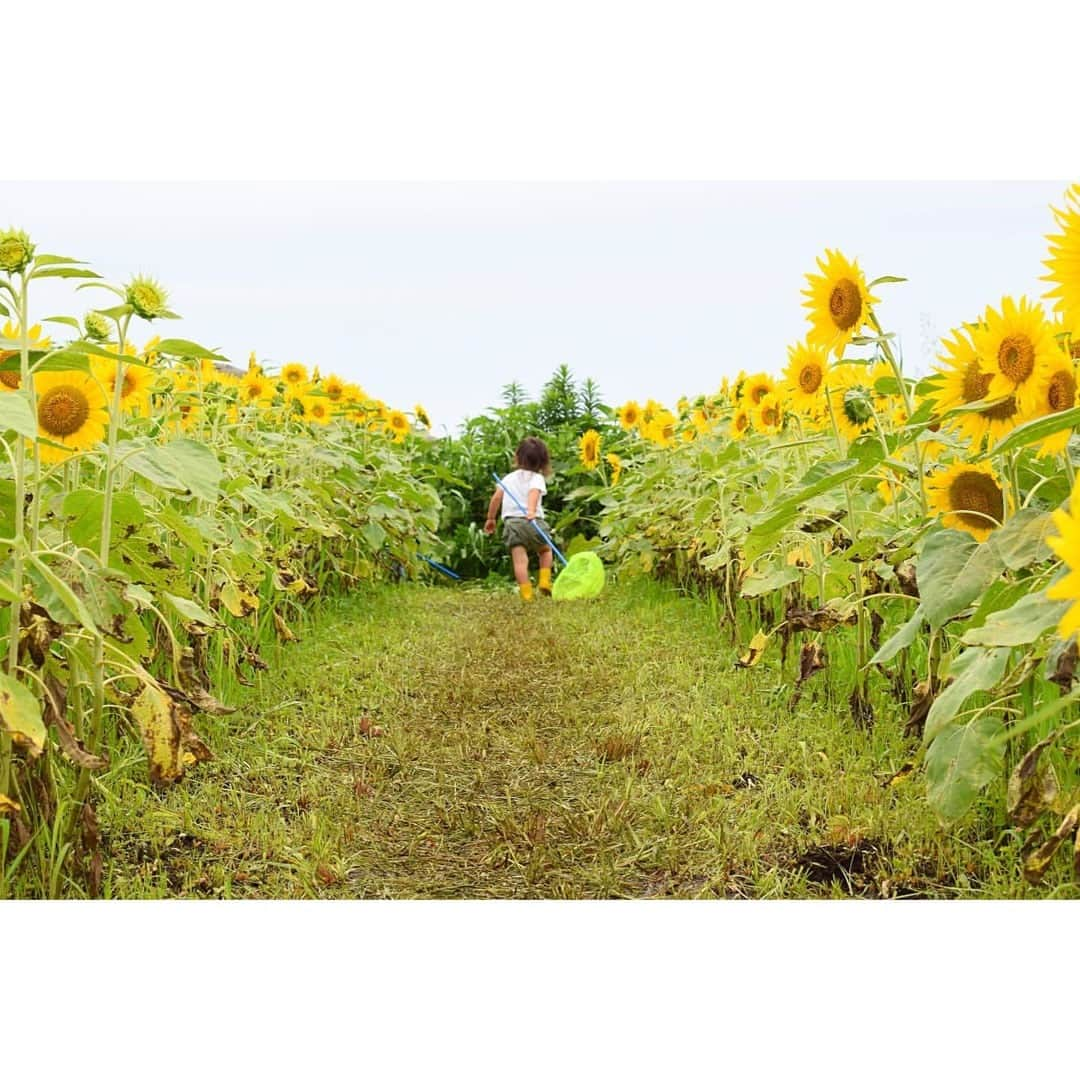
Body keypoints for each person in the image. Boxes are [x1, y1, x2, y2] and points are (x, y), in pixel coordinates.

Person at [484, 436, 554, 601]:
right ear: (543, 461)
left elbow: (496, 498)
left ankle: (526, 594)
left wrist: (491, 518)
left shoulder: (508, 478)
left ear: (517, 456)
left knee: (520, 562)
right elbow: (534, 492)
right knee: (545, 550)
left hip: (513, 523)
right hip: (533, 521)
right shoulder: (537, 478)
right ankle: (544, 580)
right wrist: (530, 510)